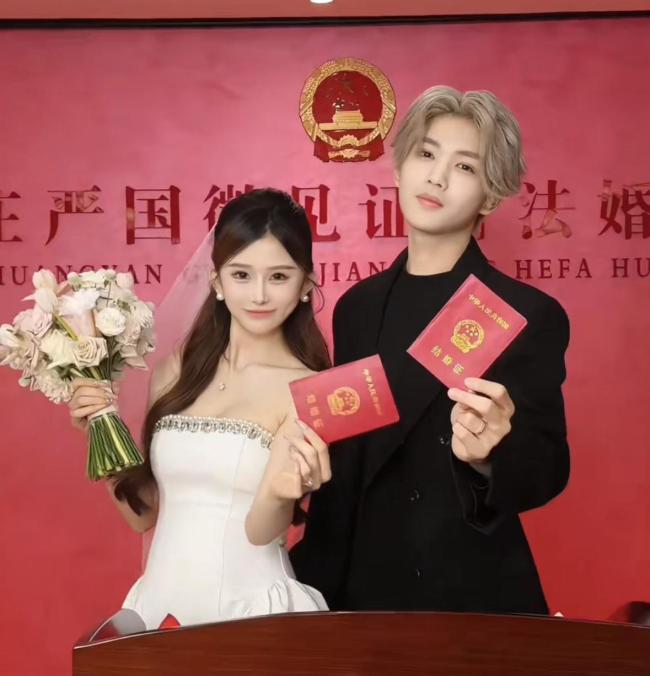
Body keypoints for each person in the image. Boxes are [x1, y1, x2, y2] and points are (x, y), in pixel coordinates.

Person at [291, 86, 571, 615]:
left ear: (490, 197)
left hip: (461, 593)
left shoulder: (521, 312)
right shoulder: (356, 307)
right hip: (350, 590)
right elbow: (351, 450)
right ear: (399, 168)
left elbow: (549, 469)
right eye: (426, 154)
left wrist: (489, 457)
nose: (437, 177)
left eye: (464, 167)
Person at [69, 189, 332, 630]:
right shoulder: (174, 372)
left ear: (306, 284)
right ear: (217, 281)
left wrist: (281, 493)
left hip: (252, 615)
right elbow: (144, 516)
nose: (259, 295)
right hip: (157, 610)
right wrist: (99, 430)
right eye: (241, 274)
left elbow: (261, 532)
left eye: (279, 276)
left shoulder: (306, 389)